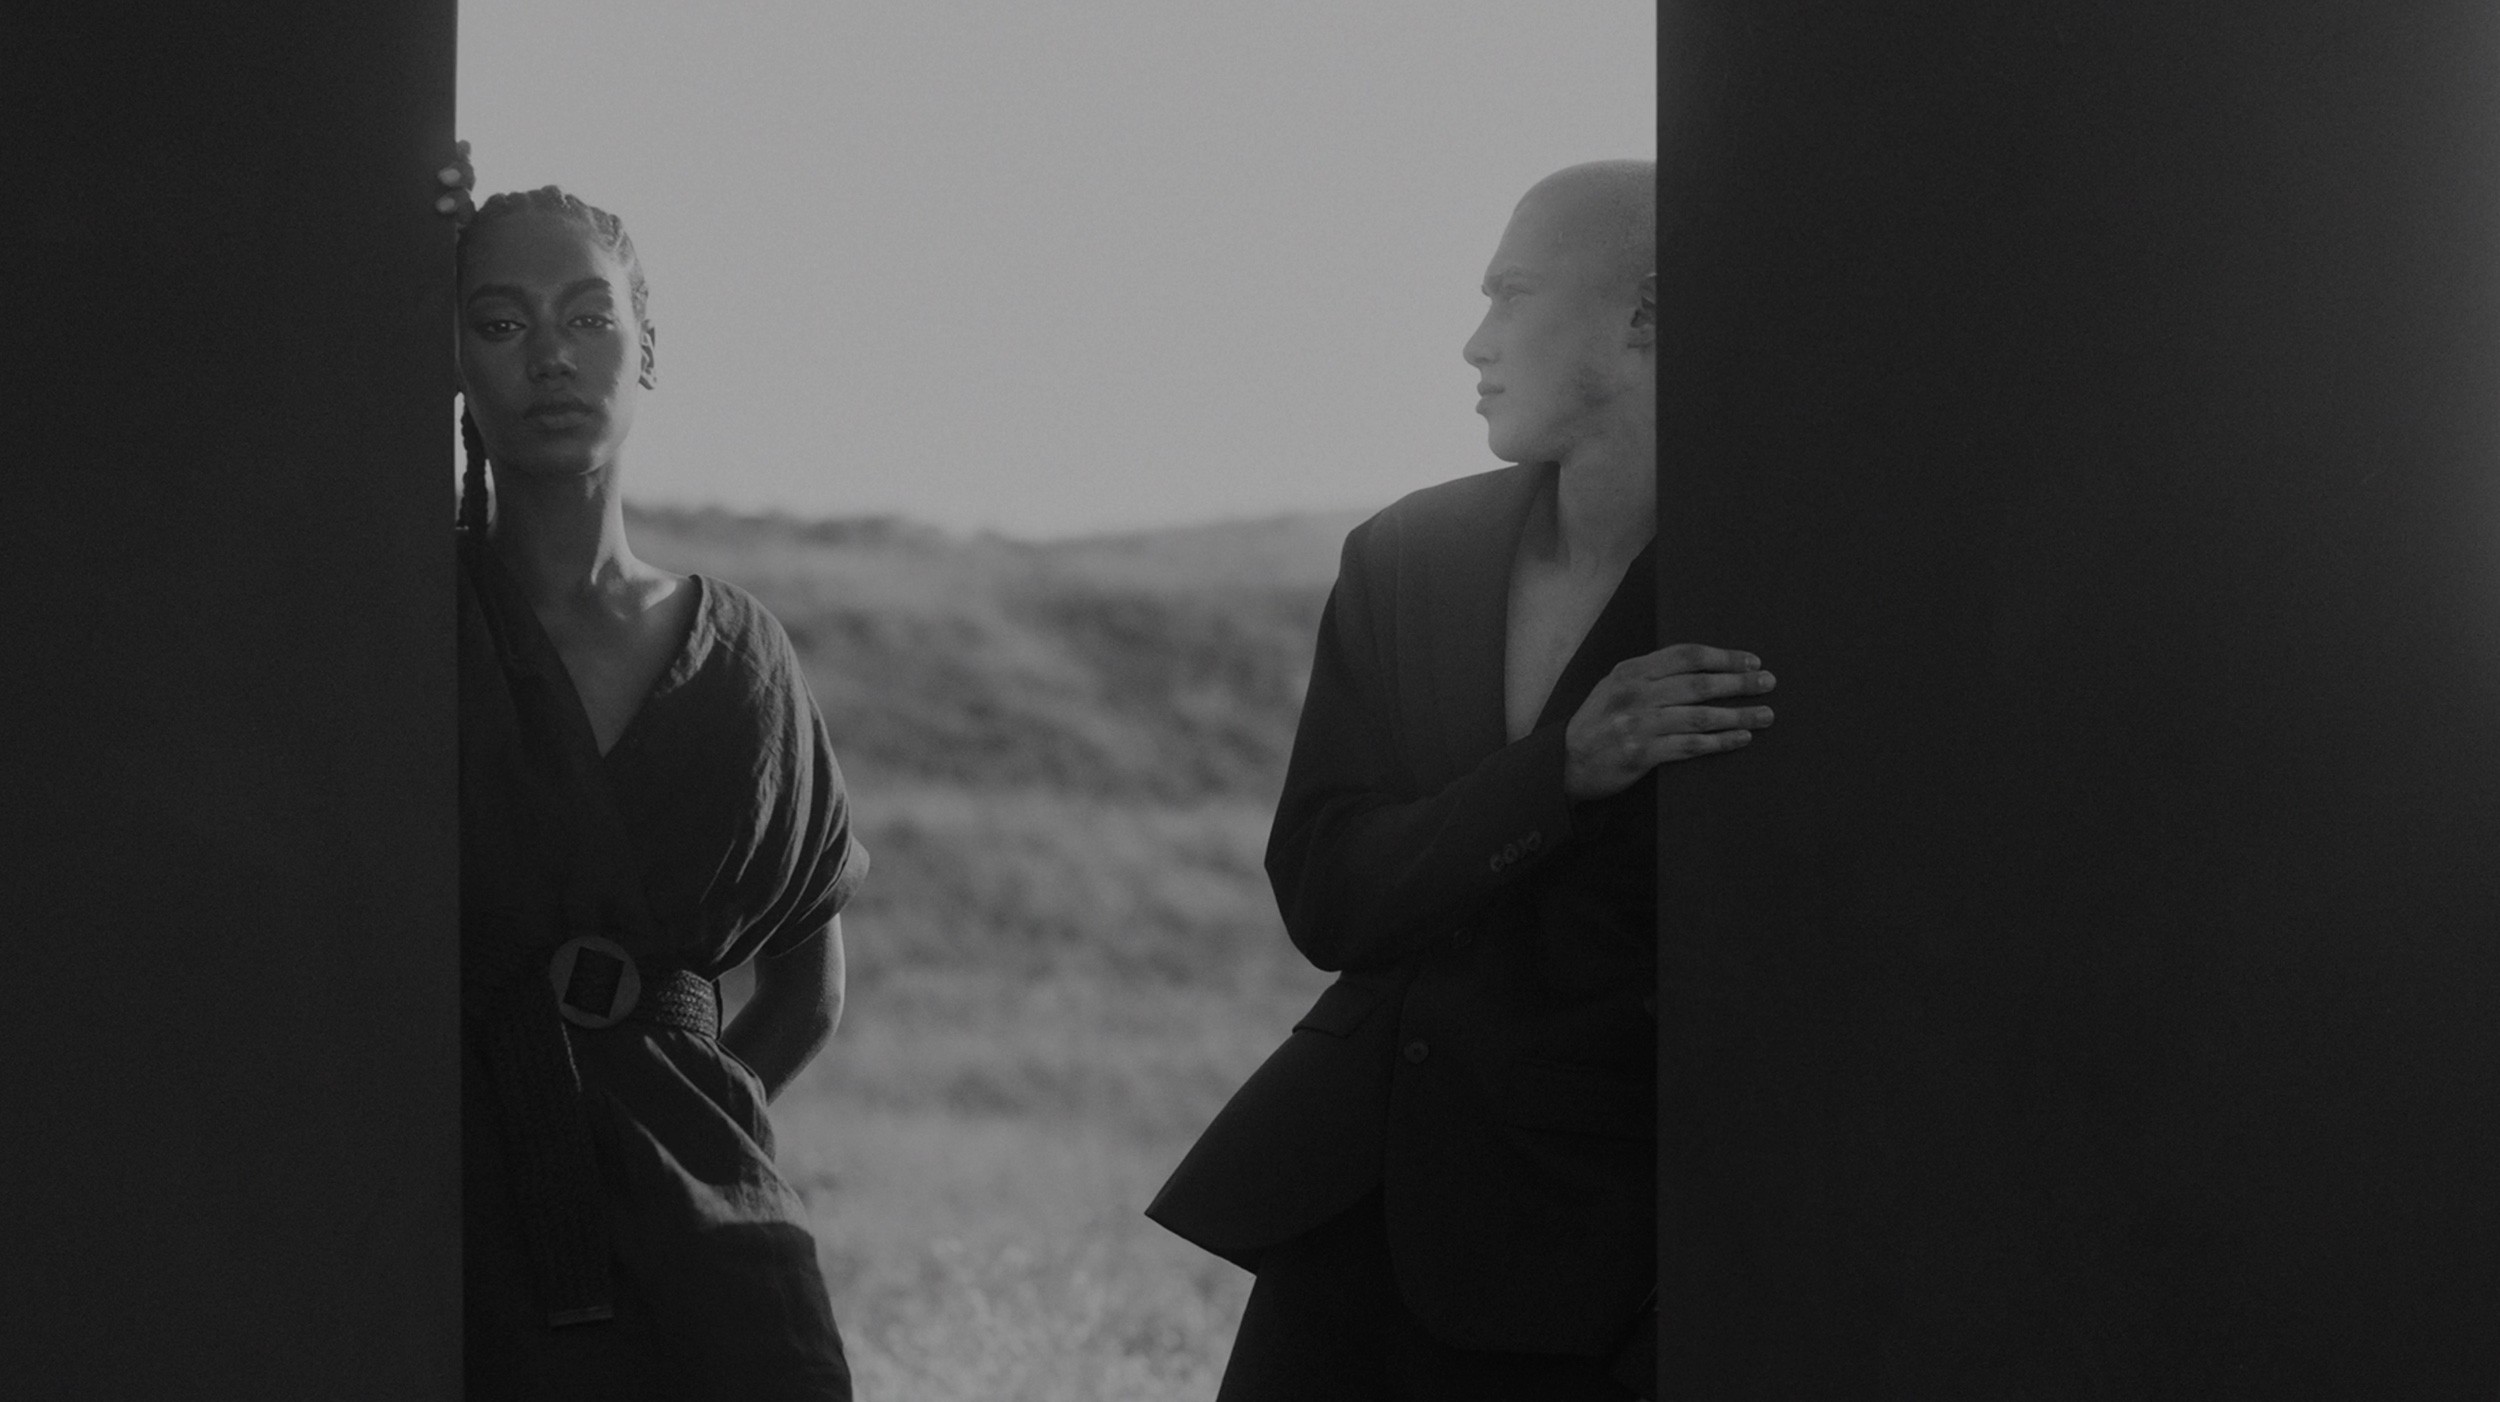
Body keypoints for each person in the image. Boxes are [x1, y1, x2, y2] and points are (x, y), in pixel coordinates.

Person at [1147, 160, 1771, 1401]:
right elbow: (1327, 895)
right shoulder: (1404, 556)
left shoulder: (1773, 584)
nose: (1473, 342)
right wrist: (1561, 774)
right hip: (1348, 1224)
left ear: (1647, 312)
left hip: (1604, 1251)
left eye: (1511, 293)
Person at [444, 165, 865, 1400]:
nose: (551, 358)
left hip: (713, 1240)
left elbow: (807, 989)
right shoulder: (402, 629)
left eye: (587, 315)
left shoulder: (742, 652)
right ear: (454, 361)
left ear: (647, 347)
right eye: (500, 321)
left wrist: (665, 1113)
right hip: (447, 1226)